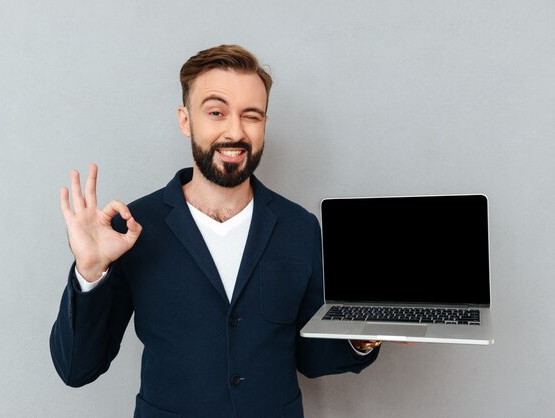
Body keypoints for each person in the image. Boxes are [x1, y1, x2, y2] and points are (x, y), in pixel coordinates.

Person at [50, 44, 380, 418]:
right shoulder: (132, 228)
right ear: (186, 120)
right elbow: (77, 368)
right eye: (216, 112)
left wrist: (365, 332)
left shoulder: (299, 227)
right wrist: (90, 273)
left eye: (250, 116)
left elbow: (313, 358)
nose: (235, 131)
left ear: (264, 125)